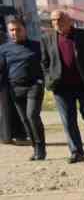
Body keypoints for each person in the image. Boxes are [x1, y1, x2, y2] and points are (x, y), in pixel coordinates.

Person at [41, 9, 84, 163]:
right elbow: (44, 63)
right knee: (68, 120)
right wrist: (49, 80)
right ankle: (77, 152)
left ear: (69, 20)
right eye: (53, 20)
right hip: (61, 88)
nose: (56, 23)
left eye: (59, 19)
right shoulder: (47, 39)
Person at [0, 15, 46, 159]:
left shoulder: (37, 46)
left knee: (32, 115)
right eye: (12, 30)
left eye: (18, 29)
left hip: (34, 86)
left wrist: (43, 80)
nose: (15, 33)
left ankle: (41, 147)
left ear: (25, 29)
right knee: (25, 120)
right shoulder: (3, 49)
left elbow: (47, 64)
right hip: (15, 89)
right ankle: (35, 148)